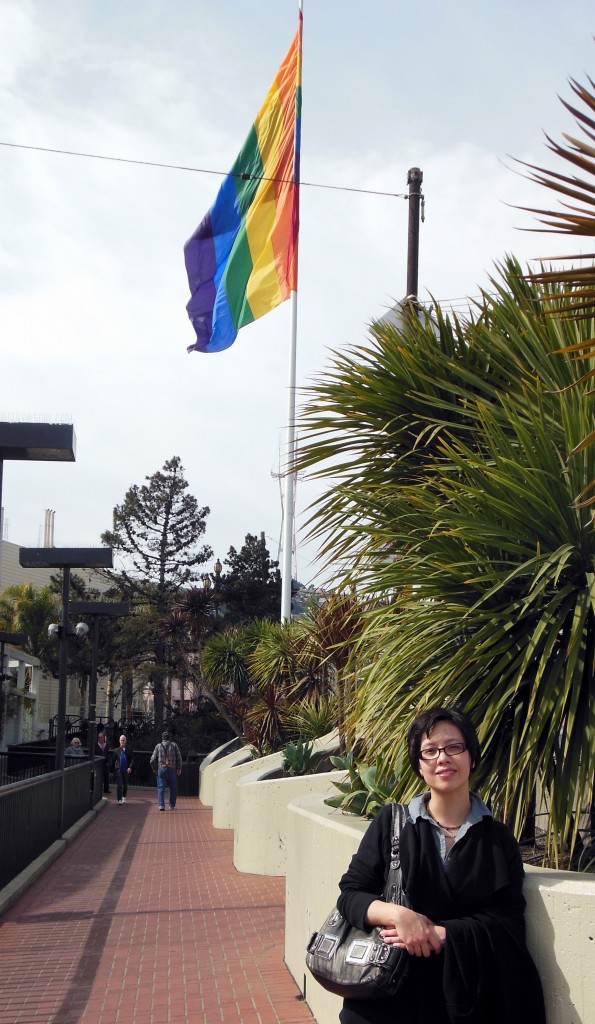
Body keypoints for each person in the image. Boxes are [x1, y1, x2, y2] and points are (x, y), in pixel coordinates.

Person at [336, 706, 546, 1024]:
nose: (442, 758)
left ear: (471, 758)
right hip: (386, 998)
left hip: (463, 1002)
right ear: (419, 767)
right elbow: (350, 895)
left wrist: (445, 934)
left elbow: (510, 924)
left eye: (454, 747)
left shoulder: (498, 840)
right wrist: (398, 914)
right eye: (429, 751)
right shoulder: (392, 824)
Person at [150, 730, 183, 810]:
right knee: (173, 788)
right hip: (172, 768)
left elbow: (152, 759)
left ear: (162, 738)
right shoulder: (174, 745)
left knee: (161, 788)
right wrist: (179, 768)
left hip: (161, 768)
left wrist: (154, 768)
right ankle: (171, 805)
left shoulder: (158, 746)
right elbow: (179, 758)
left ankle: (161, 805)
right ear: (170, 738)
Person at [113, 734, 134, 804]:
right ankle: (119, 799)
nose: (122, 742)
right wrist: (111, 771)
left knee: (125, 785)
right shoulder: (116, 750)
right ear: (119, 741)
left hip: (126, 769)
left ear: (126, 741)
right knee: (119, 784)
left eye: (123, 740)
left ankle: (124, 796)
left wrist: (130, 767)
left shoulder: (129, 750)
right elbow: (113, 760)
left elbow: (132, 759)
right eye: (121, 740)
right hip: (118, 769)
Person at [95, 728, 111, 794]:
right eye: (99, 737)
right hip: (98, 762)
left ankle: (106, 789)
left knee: (106, 776)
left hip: (105, 762)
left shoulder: (106, 745)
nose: (100, 738)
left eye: (101, 737)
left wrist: (108, 762)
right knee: (98, 776)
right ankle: (98, 789)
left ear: (104, 737)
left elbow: (107, 753)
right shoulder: (95, 744)